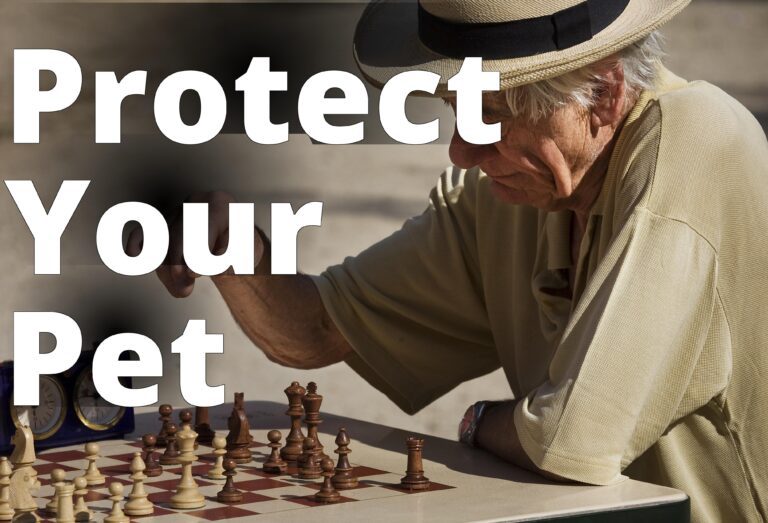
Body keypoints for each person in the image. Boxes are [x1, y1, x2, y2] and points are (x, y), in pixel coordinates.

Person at [131, 1, 768, 520]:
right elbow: (314, 330)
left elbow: (570, 442)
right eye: (454, 113)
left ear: (602, 95)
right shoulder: (509, 194)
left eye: (489, 116)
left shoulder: (694, 139)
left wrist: (474, 422)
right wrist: (231, 247)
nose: (460, 151)